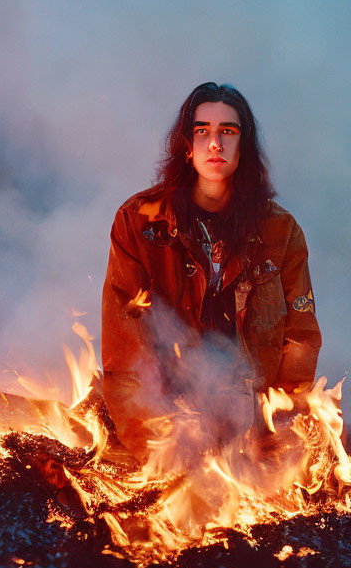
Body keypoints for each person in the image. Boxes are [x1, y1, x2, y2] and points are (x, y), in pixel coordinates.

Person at [101, 82, 321, 462]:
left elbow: (300, 340)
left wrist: (272, 437)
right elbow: (125, 352)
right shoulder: (139, 223)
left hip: (250, 431)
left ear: (244, 146)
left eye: (228, 131)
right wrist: (159, 446)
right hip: (166, 426)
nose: (214, 143)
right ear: (187, 145)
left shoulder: (281, 232)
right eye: (202, 131)